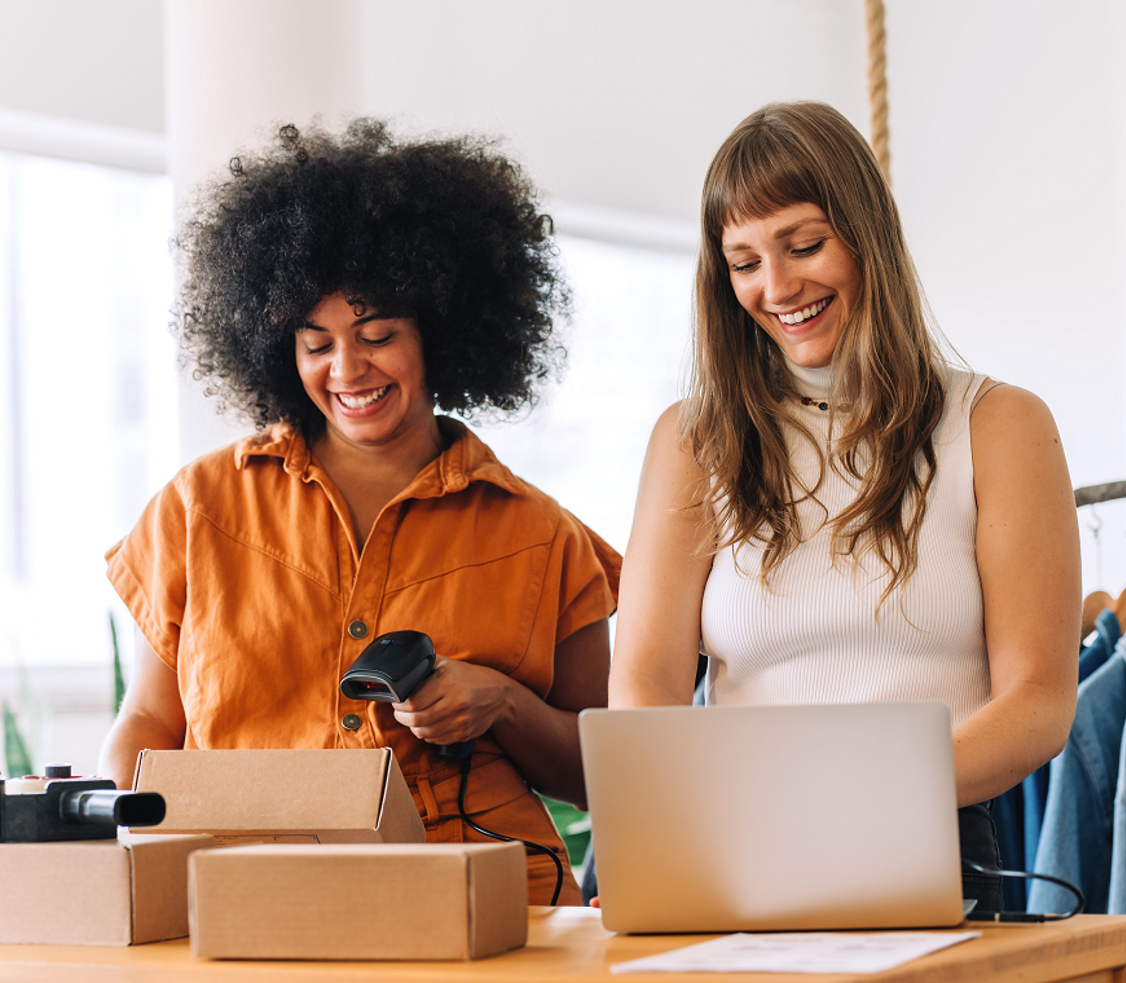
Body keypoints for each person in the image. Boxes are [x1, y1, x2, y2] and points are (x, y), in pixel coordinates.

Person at [98, 120, 619, 905]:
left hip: (482, 900)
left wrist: (502, 702)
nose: (347, 370)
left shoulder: (543, 535)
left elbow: (602, 776)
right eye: (316, 344)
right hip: (247, 896)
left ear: (440, 335)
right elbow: (145, 723)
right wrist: (141, 867)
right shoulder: (198, 507)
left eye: (377, 334)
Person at [608, 101, 1080, 913]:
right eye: (744, 261)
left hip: (940, 847)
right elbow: (644, 685)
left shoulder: (1000, 425)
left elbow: (1037, 702)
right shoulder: (691, 441)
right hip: (733, 849)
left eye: (805, 245)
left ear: (868, 236)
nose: (777, 287)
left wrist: (851, 797)